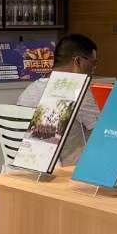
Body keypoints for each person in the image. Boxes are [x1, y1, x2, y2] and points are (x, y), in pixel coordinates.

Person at [17, 33, 100, 163]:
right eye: (93, 63)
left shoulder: (30, 90)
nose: (94, 69)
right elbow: (102, 132)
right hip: (68, 169)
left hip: (29, 163)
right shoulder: (77, 89)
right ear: (78, 61)